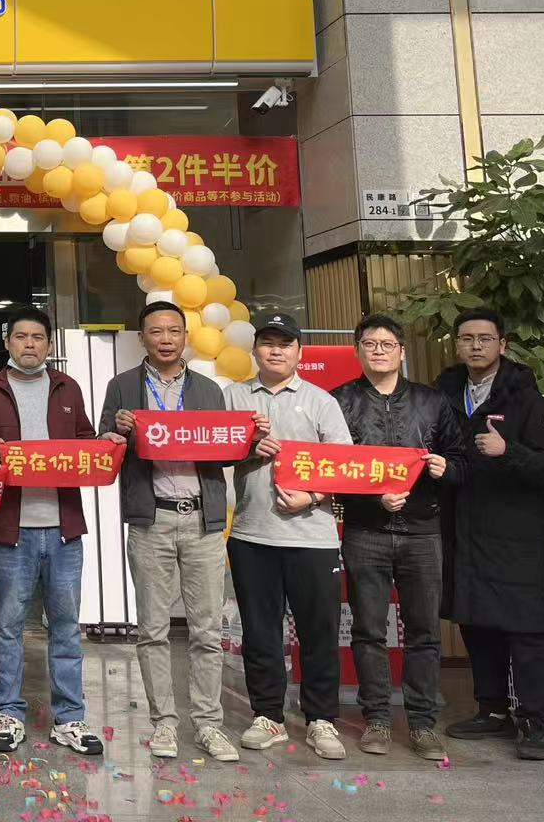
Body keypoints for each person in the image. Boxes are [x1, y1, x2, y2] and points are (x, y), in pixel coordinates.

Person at [94, 301, 238, 763]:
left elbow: (227, 448)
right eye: (156, 331)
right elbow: (103, 449)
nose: (166, 339)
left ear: (185, 337)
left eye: (174, 330)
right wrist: (115, 433)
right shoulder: (122, 386)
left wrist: (250, 436)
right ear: (142, 338)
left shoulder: (208, 390)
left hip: (202, 521)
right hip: (151, 519)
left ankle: (209, 724)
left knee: (206, 630)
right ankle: (164, 723)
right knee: (153, 629)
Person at [0, 306, 106, 757]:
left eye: (37, 337)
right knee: (8, 626)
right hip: (11, 530)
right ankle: (8, 712)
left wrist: (106, 445)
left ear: (48, 344)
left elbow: (85, 441)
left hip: (63, 529)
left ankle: (70, 718)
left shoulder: (67, 387)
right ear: (8, 343)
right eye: (21, 336)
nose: (29, 344)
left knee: (65, 626)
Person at [329, 313, 465, 760]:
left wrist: (446, 468)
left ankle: (423, 723)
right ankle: (377, 720)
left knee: (424, 631)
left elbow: (461, 458)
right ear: (357, 351)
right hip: (365, 531)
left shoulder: (432, 400)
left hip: (423, 532)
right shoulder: (340, 401)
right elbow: (331, 468)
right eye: (370, 344)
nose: (379, 351)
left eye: (387, 344)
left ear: (402, 352)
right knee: (368, 630)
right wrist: (374, 499)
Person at [433, 307, 544, 759]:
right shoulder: (445, 394)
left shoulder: (526, 399)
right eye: (467, 338)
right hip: (462, 529)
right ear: (456, 345)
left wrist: (508, 451)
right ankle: (491, 709)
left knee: (527, 628)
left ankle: (535, 721)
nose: (476, 346)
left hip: (515, 533)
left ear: (502, 345)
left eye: (485, 338)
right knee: (477, 621)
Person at [224, 313, 352, 761]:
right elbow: (211, 456)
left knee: (319, 632)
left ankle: (321, 719)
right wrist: (246, 448)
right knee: (260, 632)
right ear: (254, 350)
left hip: (313, 537)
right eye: (267, 343)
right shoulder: (232, 397)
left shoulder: (321, 401)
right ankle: (268, 716)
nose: (275, 351)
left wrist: (311, 496)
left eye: (285, 344)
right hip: (251, 535)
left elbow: (344, 466)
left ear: (299, 351)